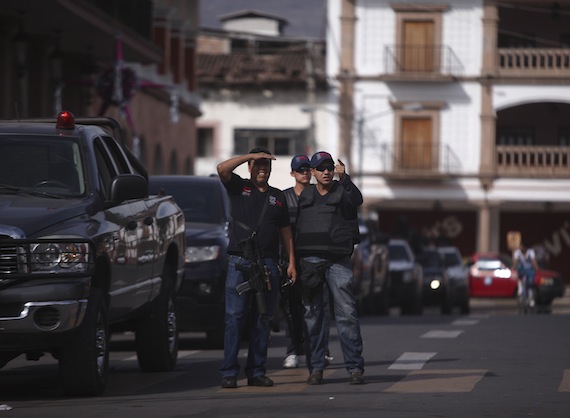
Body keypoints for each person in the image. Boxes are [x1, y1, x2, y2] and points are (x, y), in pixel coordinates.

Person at [217, 147, 296, 389]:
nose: (262, 169)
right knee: (235, 319)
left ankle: (257, 371)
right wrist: (249, 156)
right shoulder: (239, 187)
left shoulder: (278, 197)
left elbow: (286, 232)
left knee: (263, 319)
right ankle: (230, 372)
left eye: (266, 165)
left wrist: (291, 262)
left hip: (269, 265)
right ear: (250, 167)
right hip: (240, 262)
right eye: (257, 165)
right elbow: (222, 169)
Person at [295, 151, 365, 385]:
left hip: (337, 261)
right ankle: (316, 368)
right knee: (313, 317)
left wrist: (345, 179)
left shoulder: (343, 191)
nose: (326, 172)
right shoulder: (305, 196)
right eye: (321, 168)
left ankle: (354, 368)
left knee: (347, 315)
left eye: (329, 168)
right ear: (312, 172)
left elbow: (356, 200)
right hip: (311, 262)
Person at [281, 154, 334, 369]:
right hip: (290, 259)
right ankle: (294, 350)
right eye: (300, 169)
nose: (304, 172)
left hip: (315, 259)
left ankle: (322, 350)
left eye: (307, 168)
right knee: (291, 308)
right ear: (293, 173)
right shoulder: (285, 198)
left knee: (318, 306)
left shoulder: (319, 194)